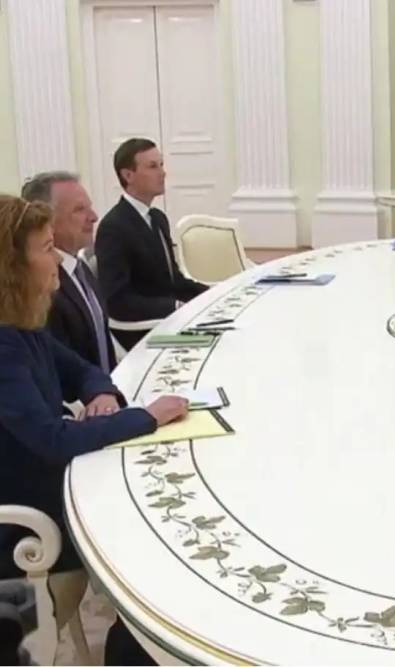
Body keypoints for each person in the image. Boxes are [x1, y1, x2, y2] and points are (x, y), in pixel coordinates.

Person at [0, 195, 188, 664]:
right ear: (11, 267)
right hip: (25, 529)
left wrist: (101, 393)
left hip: (51, 488)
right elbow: (52, 439)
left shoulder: (21, 323)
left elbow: (81, 369)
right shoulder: (3, 345)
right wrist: (146, 416)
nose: (58, 261)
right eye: (47, 249)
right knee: (151, 535)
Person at [95, 138, 207, 350]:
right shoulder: (113, 227)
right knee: (218, 345)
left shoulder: (157, 218)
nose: (162, 173)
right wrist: (175, 306)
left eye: (161, 165)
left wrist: (212, 294)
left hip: (171, 320)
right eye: (153, 166)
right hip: (145, 333)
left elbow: (174, 280)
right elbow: (117, 300)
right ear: (128, 175)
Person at [20, 172, 116, 372]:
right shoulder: (43, 284)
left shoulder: (81, 268)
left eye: (89, 207)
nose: (94, 217)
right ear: (47, 221)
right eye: (79, 210)